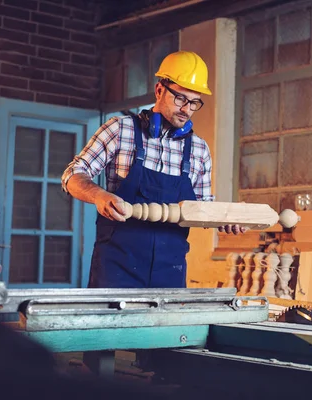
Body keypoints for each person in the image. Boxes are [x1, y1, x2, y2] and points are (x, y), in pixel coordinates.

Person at [62, 51, 244, 289]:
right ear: (159, 90)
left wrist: (225, 220)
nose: (186, 109)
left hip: (170, 272)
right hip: (117, 269)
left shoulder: (199, 149)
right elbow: (72, 175)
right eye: (180, 98)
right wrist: (99, 196)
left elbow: (203, 208)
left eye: (194, 102)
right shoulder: (120, 130)